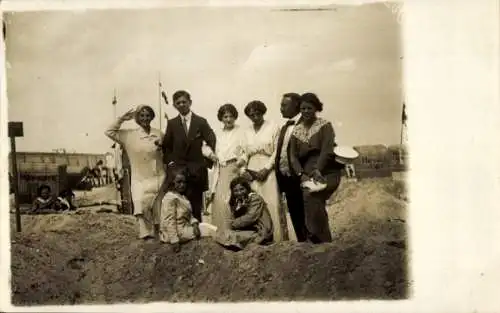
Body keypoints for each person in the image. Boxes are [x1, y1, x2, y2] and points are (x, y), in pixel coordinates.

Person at [289, 92, 344, 243]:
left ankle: (319, 238)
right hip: (306, 173)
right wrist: (301, 174)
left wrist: (318, 169)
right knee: (312, 199)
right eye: (303, 109)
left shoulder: (325, 125)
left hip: (327, 171)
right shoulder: (296, 130)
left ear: (316, 108)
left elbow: (327, 150)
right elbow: (293, 156)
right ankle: (321, 240)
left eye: (309, 108)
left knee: (312, 196)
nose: (306, 112)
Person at [105, 105, 165, 240]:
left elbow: (167, 150)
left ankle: (159, 236)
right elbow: (109, 131)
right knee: (141, 205)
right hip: (140, 177)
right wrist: (122, 119)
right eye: (142, 116)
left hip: (158, 175)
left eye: (148, 115)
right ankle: (145, 236)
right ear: (137, 118)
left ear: (152, 117)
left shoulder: (159, 133)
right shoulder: (129, 135)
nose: (145, 118)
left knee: (158, 207)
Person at [158, 90, 217, 223]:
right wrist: (171, 164)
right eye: (178, 103)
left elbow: (212, 140)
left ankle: (196, 235)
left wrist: (205, 162)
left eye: (184, 102)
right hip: (179, 172)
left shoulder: (201, 122)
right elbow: (167, 146)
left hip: (196, 171)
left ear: (190, 102)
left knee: (196, 206)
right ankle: (181, 232)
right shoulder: (172, 124)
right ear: (174, 105)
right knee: (179, 205)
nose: (182, 104)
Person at [241, 100, 288, 242]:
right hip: (252, 168)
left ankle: (277, 239)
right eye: (251, 114)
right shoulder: (246, 131)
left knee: (271, 202)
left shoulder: (273, 127)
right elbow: (243, 153)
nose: (254, 116)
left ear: (263, 112)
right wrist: (244, 170)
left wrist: (267, 169)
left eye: (257, 113)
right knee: (254, 204)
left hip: (268, 168)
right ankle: (259, 238)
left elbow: (277, 152)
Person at [272, 93, 308, 242]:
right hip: (287, 178)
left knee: (307, 213)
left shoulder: (306, 123)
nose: (281, 109)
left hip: (301, 177)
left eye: (284, 105)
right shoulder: (284, 127)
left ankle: (314, 246)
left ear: (295, 106)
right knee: (294, 212)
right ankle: (303, 245)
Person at [159, 168, 217, 253]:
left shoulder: (181, 196)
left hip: (183, 228)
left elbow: (189, 215)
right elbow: (169, 220)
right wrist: (174, 241)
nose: (182, 185)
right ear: (172, 182)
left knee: (208, 227)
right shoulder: (170, 198)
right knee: (209, 230)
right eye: (179, 182)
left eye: (184, 182)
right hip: (175, 233)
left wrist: (194, 224)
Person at [209, 103, 247, 231]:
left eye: (231, 116)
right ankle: (221, 232)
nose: (228, 119)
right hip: (221, 169)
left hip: (235, 169)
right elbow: (205, 145)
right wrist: (211, 155)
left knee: (234, 199)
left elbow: (246, 150)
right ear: (221, 118)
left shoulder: (241, 131)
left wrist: (241, 161)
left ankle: (235, 232)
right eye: (225, 117)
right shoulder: (217, 133)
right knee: (220, 201)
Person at [215, 176, 273, 251]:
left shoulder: (255, 199)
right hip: (250, 231)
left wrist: (234, 224)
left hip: (260, 233)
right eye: (235, 191)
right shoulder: (238, 202)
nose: (239, 193)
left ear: (247, 189)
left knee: (230, 236)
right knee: (224, 235)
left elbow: (250, 218)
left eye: (242, 189)